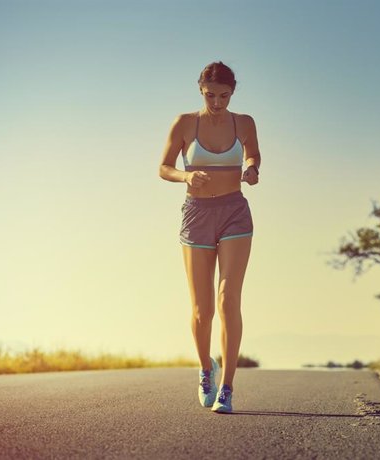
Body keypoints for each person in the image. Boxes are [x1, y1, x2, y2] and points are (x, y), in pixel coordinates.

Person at [158, 61, 261, 414]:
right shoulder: (185, 123)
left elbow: (253, 153)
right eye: (210, 95)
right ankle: (206, 369)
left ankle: (228, 387)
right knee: (202, 310)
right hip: (197, 216)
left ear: (233, 92)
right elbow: (164, 167)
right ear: (200, 90)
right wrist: (185, 178)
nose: (217, 102)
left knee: (228, 299)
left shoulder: (244, 122)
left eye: (224, 95)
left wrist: (251, 168)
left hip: (235, 213)